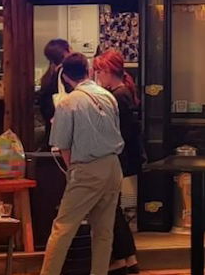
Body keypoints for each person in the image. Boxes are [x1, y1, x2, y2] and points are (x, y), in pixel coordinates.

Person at [41, 52, 124, 275]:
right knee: (104, 231)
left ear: (65, 77)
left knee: (63, 228)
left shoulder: (68, 103)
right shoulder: (108, 97)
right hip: (113, 166)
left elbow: (62, 146)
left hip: (87, 168)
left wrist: (74, 171)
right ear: (88, 71)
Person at [94, 50, 144, 274]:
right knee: (112, 207)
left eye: (98, 71)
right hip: (124, 157)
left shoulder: (117, 96)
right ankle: (127, 259)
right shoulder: (122, 92)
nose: (97, 76)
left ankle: (126, 259)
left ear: (106, 71)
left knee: (111, 207)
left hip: (118, 158)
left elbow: (120, 132)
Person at [37, 38, 71, 150]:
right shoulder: (64, 75)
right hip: (61, 135)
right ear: (65, 53)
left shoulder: (48, 77)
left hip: (51, 132)